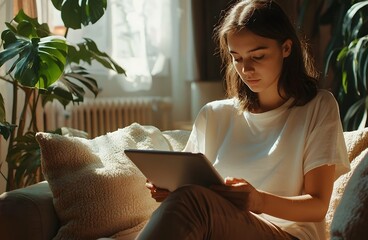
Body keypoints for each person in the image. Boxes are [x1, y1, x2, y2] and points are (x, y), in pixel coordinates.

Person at [137, 0, 350, 239]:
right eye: (237, 58)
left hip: (287, 234)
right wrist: (172, 192)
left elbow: (318, 205)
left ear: (286, 48)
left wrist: (259, 200)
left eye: (257, 56)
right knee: (188, 198)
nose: (246, 69)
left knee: (192, 201)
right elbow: (194, 193)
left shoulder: (318, 107)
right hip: (220, 229)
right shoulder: (214, 114)